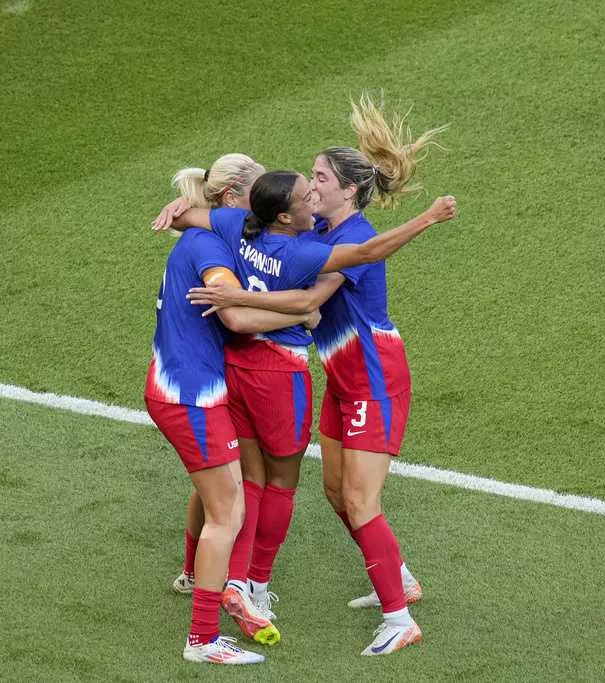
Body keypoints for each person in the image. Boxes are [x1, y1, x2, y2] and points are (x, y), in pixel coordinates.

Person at [182, 93, 449, 655]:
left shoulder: (351, 238)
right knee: (334, 492)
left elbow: (309, 299)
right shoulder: (319, 232)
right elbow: (258, 231)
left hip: (374, 377)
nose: (312, 184)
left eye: (321, 178)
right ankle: (398, 577)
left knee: (359, 500)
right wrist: (189, 212)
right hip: (342, 378)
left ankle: (400, 619)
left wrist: (234, 298)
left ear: (346, 190)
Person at [146, 178, 317, 664]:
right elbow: (237, 318)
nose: (259, 210)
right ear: (229, 200)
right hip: (192, 397)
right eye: (253, 197)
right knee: (229, 512)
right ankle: (202, 640)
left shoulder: (205, 236)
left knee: (215, 492)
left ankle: (190, 575)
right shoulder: (210, 250)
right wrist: (300, 315)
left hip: (182, 388)